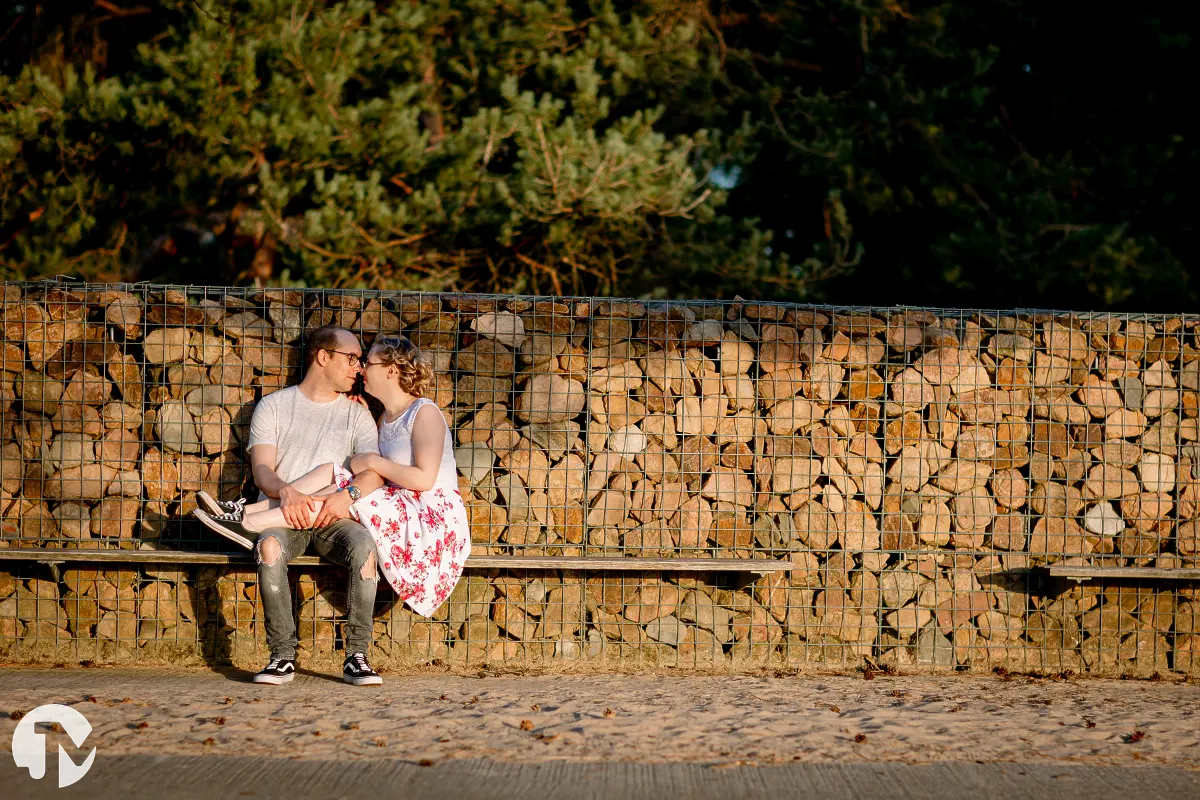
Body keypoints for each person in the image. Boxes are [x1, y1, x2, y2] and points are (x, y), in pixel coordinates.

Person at [196, 334, 471, 643]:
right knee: (331, 471)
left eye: (367, 362)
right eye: (356, 360)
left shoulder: (423, 412)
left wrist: (370, 466)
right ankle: (243, 513)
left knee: (349, 506)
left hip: (427, 514)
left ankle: (247, 524)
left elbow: (421, 480)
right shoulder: (383, 418)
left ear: (391, 371)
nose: (361, 368)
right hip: (400, 503)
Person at [193, 325, 386, 686]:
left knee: (365, 548)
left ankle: (357, 656)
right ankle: (281, 657)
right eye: (352, 358)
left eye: (360, 361)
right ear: (323, 357)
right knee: (269, 547)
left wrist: (346, 498)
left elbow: (372, 473)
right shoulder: (274, 406)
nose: (358, 368)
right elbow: (263, 471)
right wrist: (288, 492)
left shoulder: (358, 415)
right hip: (284, 514)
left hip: (333, 516)